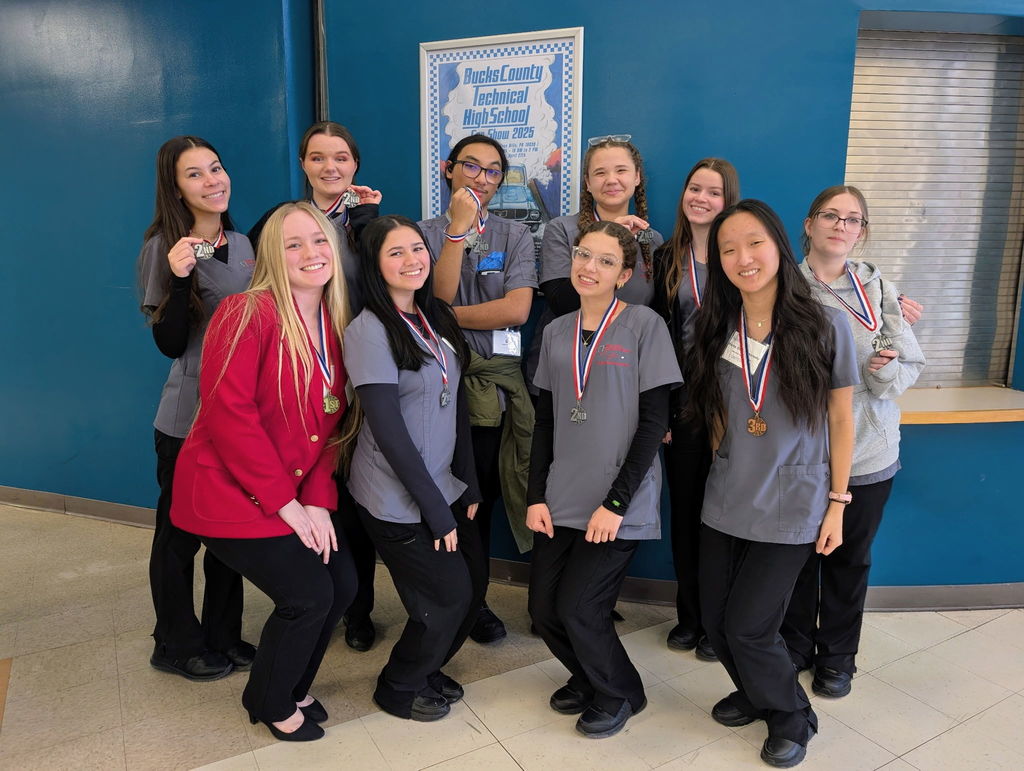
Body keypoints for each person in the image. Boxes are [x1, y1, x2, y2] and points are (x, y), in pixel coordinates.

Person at [170, 202, 357, 742]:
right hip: (227, 490)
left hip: (293, 490)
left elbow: (330, 422)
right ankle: (269, 699)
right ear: (271, 256)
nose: (310, 253)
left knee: (341, 584)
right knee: (308, 596)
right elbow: (230, 417)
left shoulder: (334, 323)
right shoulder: (245, 311)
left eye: (318, 240)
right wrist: (288, 504)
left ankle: (293, 681)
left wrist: (318, 500)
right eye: (293, 244)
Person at [685, 200, 858, 768]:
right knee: (715, 622)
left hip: (794, 499)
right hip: (728, 492)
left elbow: (840, 418)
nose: (742, 258)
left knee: (750, 625)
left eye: (754, 243)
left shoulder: (824, 323)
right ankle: (758, 692)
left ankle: (790, 715)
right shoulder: (716, 326)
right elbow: (718, 413)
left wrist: (836, 504)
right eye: (728, 249)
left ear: (779, 246)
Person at [527, 221, 682, 739]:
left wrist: (615, 504)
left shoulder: (644, 326)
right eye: (582, 254)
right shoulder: (554, 332)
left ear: (625, 274)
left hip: (618, 501)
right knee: (544, 609)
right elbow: (545, 422)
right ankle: (589, 675)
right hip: (561, 496)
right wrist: (534, 496)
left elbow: (654, 425)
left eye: (605, 261)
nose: (588, 267)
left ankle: (620, 692)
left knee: (579, 606)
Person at [781, 186, 925, 699]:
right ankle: (795, 645)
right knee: (796, 559)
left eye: (853, 219)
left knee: (848, 560)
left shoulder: (878, 286)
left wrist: (882, 374)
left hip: (868, 450)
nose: (842, 226)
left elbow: (908, 360)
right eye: (831, 216)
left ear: (861, 232)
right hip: (802, 452)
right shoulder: (784, 288)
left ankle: (838, 659)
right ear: (809, 223)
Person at [344, 215, 483, 722]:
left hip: (442, 485)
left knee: (468, 590)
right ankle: (399, 685)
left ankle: (424, 668)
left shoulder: (434, 318)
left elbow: (457, 405)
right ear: (375, 266)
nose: (412, 260)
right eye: (396, 253)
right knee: (446, 598)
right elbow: (388, 431)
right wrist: (435, 513)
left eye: (417, 249)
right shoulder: (368, 331)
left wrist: (465, 486)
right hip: (395, 496)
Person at [249, 120, 381, 652]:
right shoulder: (281, 222)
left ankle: (359, 607)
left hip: (358, 373)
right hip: (301, 379)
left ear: (355, 165)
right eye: (319, 158)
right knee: (313, 491)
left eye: (342, 158)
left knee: (355, 500)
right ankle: (322, 603)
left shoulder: (367, 220)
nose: (331, 167)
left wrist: (366, 221)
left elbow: (386, 278)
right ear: (303, 165)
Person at [136, 135, 255, 681]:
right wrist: (180, 278)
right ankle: (176, 641)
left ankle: (224, 634)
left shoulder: (244, 244)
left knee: (231, 531)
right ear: (175, 188)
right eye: (195, 174)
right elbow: (167, 341)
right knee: (179, 533)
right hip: (189, 418)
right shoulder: (164, 246)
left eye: (217, 167)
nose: (213, 181)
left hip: (241, 417)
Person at [418, 134, 537, 644]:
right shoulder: (419, 235)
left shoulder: (515, 236)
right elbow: (435, 294)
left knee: (479, 500)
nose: (481, 179)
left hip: (494, 391)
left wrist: (444, 320)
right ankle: (447, 602)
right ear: (449, 170)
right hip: (437, 390)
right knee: (443, 501)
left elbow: (516, 310)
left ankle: (478, 603)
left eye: (493, 171)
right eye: (472, 167)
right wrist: (456, 233)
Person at [651, 157, 740, 662]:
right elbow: (659, 337)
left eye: (713, 191)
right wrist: (663, 408)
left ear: (728, 201)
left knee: (724, 517)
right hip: (684, 409)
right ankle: (691, 615)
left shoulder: (739, 256)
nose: (701, 198)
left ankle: (719, 622)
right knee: (686, 515)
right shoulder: (667, 258)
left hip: (735, 408)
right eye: (694, 188)